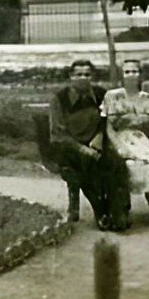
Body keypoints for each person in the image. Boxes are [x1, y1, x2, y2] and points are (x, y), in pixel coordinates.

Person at [49, 60, 131, 230]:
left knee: (117, 163)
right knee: (87, 166)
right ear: (71, 77)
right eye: (78, 74)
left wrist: (99, 137)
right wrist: (83, 149)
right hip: (70, 147)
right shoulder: (60, 99)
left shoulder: (101, 94)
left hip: (98, 142)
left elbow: (107, 120)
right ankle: (101, 211)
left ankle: (120, 212)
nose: (83, 78)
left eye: (87, 74)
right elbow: (59, 133)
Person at [101, 59, 149, 224]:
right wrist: (119, 147)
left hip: (143, 139)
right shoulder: (113, 96)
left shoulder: (147, 98)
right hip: (123, 138)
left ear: (140, 75)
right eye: (127, 72)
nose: (131, 75)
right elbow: (109, 128)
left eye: (134, 71)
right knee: (138, 164)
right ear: (122, 75)